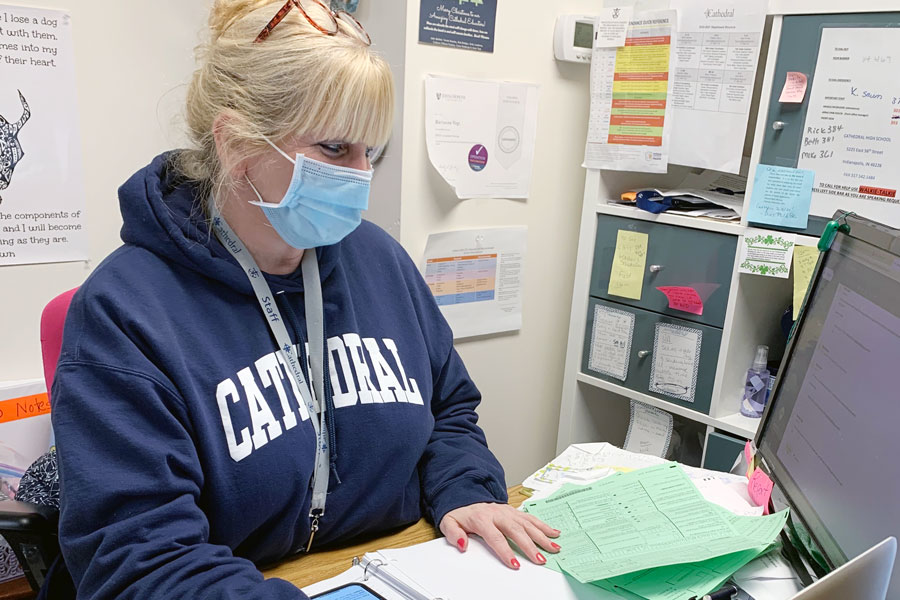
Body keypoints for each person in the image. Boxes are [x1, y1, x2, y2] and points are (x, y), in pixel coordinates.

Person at [49, 1, 560, 598]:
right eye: (337, 148)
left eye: (374, 151)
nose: (362, 176)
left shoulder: (380, 260)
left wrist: (465, 489)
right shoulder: (123, 314)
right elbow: (140, 562)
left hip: (398, 570)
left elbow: (448, 410)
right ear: (237, 140)